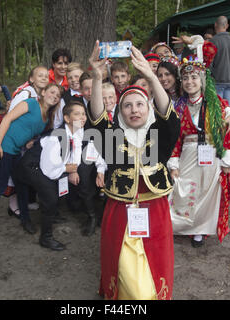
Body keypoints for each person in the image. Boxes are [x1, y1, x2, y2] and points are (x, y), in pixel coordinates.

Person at [89, 40, 180, 300]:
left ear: (148, 108)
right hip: (120, 210)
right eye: (127, 105)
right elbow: (96, 121)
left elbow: (168, 117)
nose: (134, 110)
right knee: (126, 275)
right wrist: (97, 77)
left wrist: (151, 76)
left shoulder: (159, 134)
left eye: (140, 104)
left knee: (154, 270)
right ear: (120, 111)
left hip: (155, 208)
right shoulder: (113, 139)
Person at [166, 44, 230, 248]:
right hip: (189, 154)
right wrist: (174, 163)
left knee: (207, 193)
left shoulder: (216, 103)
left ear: (202, 80)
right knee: (185, 190)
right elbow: (175, 138)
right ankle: (180, 225)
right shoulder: (179, 107)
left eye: (194, 78)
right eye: (186, 78)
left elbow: (228, 118)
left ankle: (199, 230)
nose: (190, 82)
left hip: (211, 154)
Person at [0, 83, 63, 247]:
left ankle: (25, 219)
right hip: (2, 146)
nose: (54, 96)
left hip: (14, 150)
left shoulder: (46, 118)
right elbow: (7, 118)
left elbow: (28, 129)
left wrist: (30, 141)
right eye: (52, 92)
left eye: (57, 95)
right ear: (43, 92)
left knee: (21, 182)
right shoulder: (31, 103)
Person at [14, 101, 107, 250]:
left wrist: (97, 171)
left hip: (52, 167)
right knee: (50, 195)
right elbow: (48, 168)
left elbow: (85, 153)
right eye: (77, 114)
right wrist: (67, 169)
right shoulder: (55, 137)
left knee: (62, 186)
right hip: (32, 167)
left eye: (84, 114)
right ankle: (46, 237)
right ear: (67, 118)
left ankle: (54, 213)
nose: (82, 117)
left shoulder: (80, 132)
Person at [0, 66, 50, 219]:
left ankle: (14, 204)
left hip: (16, 138)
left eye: (46, 76)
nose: (44, 78)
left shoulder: (37, 95)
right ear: (31, 79)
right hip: (5, 134)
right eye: (40, 75)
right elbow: (11, 116)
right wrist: (0, 142)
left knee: (15, 171)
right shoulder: (27, 93)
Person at [207, 16, 230, 102]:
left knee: (218, 109)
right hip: (229, 79)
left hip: (217, 79)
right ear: (227, 26)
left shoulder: (213, 42)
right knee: (227, 109)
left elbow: (208, 63)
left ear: (215, 25)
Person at [53, 62, 85, 128]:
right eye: (70, 78)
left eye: (76, 76)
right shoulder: (64, 98)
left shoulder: (90, 93)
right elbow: (57, 123)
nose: (73, 80)